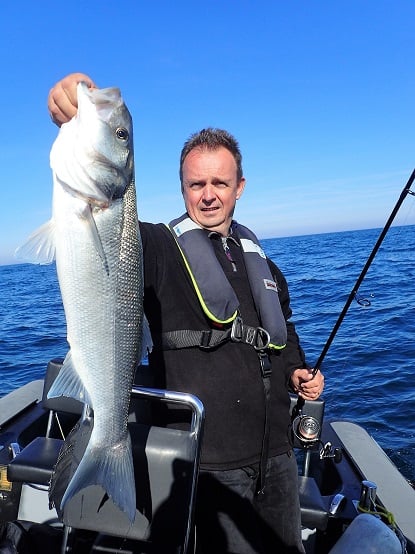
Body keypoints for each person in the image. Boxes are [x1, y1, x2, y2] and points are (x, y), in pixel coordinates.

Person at [48, 73, 325, 554]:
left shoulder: (263, 262)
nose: (209, 194)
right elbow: (111, 238)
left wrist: (297, 371)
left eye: (220, 182)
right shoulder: (158, 247)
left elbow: (283, 333)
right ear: (182, 189)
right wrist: (70, 100)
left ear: (240, 187)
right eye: (197, 184)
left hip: (277, 453)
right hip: (209, 462)